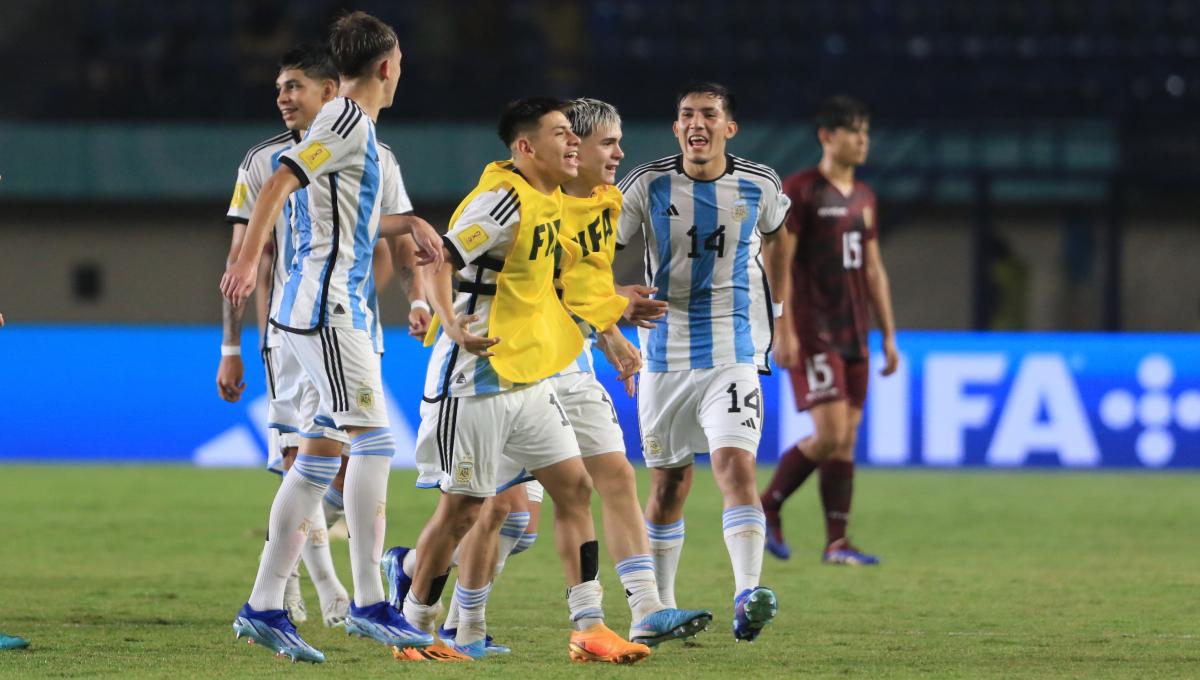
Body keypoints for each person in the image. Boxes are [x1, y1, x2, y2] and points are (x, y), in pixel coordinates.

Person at [221, 11, 441, 663]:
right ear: (385, 66)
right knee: (373, 442)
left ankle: (264, 605)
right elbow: (285, 177)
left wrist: (409, 222)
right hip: (325, 307)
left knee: (317, 457)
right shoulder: (344, 119)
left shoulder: (355, 131)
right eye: (399, 63)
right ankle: (372, 599)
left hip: (322, 307)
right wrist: (246, 256)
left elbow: (352, 211)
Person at [401, 97, 650, 664]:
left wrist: (610, 317)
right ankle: (415, 628)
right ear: (525, 146)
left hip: (532, 379)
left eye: (572, 134)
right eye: (560, 134)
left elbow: (570, 282)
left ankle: (589, 625)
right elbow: (434, 256)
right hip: (478, 377)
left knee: (575, 489)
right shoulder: (501, 200)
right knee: (463, 511)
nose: (572, 144)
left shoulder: (554, 199)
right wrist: (450, 323)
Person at [615, 82, 792, 642]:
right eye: (687, 114)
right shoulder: (645, 183)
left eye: (709, 114)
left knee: (736, 467)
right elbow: (595, 247)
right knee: (669, 484)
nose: (697, 123)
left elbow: (780, 238)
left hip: (732, 349)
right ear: (676, 128)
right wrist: (616, 296)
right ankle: (661, 608)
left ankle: (746, 594)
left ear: (728, 127)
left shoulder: (760, 184)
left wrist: (777, 311)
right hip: (662, 352)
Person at [761, 95, 899, 565]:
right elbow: (778, 258)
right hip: (814, 327)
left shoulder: (864, 196)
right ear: (827, 136)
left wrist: (890, 335)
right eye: (853, 131)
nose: (863, 140)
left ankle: (837, 542)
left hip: (856, 330)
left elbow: (875, 268)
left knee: (846, 438)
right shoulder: (801, 191)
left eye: (865, 131)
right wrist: (783, 326)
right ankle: (767, 505)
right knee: (828, 432)